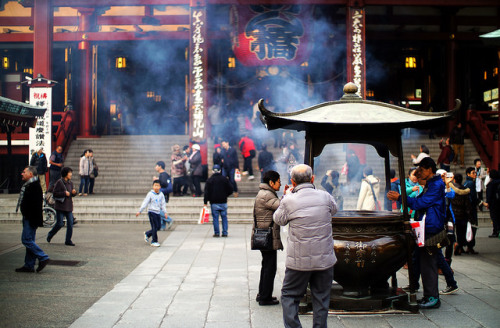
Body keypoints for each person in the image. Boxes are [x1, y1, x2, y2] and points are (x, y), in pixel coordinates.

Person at [273, 164, 337, 327]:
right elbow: (334, 210)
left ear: (293, 182)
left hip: (298, 261)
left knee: (289, 295)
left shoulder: (289, 200)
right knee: (321, 298)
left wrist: (285, 196)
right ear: (313, 179)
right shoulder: (325, 196)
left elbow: (278, 219)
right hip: (324, 259)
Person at [387, 157, 448, 309]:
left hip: (431, 228)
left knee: (429, 263)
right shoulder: (430, 184)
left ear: (429, 169)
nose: (418, 173)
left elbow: (421, 203)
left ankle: (432, 297)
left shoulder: (436, 185)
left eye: (421, 170)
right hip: (426, 227)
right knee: (423, 262)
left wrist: (400, 197)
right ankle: (428, 295)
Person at [253, 170, 283, 306]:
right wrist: (288, 195)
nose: (280, 184)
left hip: (264, 234)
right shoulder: (267, 195)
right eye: (278, 181)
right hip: (268, 236)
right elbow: (282, 205)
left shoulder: (264, 193)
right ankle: (265, 297)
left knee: (266, 266)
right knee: (270, 267)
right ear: (271, 182)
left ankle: (263, 293)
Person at [15, 166, 50, 273]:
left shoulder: (34, 186)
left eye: (24, 172)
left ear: (30, 174)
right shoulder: (30, 184)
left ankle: (43, 257)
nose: (22, 173)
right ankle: (29, 265)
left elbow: (34, 205)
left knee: (26, 240)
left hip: (30, 218)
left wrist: (27, 214)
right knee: (30, 240)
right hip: (30, 217)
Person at [47, 167, 77, 246]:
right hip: (60, 206)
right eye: (69, 172)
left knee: (70, 223)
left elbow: (71, 194)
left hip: (68, 206)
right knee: (60, 223)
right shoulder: (59, 182)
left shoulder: (71, 183)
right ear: (65, 174)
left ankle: (68, 240)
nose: (71, 174)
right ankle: (50, 235)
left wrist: (74, 193)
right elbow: (55, 194)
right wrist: (64, 193)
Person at [136, 179, 168, 247]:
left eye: (158, 186)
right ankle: (154, 241)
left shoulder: (161, 194)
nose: (156, 187)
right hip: (151, 212)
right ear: (153, 186)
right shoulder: (150, 194)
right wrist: (140, 211)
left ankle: (147, 234)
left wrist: (165, 212)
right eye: (155, 186)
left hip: (157, 212)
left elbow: (163, 204)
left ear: (160, 187)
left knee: (158, 227)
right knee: (154, 227)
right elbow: (145, 202)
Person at [203, 164, 233, 237]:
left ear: (213, 171)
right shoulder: (224, 179)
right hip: (223, 201)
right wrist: (226, 195)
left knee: (215, 218)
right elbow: (231, 189)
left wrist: (205, 202)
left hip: (214, 202)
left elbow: (206, 192)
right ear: (220, 171)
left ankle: (216, 233)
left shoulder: (209, 180)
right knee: (224, 217)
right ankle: (225, 232)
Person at [450, 173, 473, 256]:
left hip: (453, 213)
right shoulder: (465, 190)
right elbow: (467, 204)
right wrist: (469, 215)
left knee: (452, 231)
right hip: (462, 214)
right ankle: (460, 245)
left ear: (454, 180)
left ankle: (455, 243)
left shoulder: (451, 189)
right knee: (461, 231)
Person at [463, 167, 479, 253]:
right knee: (473, 227)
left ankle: (466, 245)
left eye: (475, 173)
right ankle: (470, 246)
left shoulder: (466, 183)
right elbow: (473, 197)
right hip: (471, 209)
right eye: (473, 173)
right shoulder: (471, 183)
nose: (475, 174)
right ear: (468, 174)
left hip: (467, 209)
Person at [154, 161, 173, 230]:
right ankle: (162, 226)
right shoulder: (163, 174)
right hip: (163, 195)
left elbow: (164, 184)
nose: (155, 167)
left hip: (163, 195)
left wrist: (157, 180)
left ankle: (169, 219)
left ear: (160, 166)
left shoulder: (163, 174)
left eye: (156, 166)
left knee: (158, 210)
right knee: (160, 209)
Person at [484, 169, 500, 238]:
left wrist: (488, 202)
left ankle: (495, 231)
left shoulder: (491, 184)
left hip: (493, 203)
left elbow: (489, 195)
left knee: (494, 217)